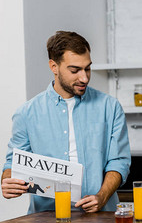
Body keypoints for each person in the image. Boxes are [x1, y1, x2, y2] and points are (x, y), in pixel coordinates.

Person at [1, 31, 131, 213]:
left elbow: (118, 162)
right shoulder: (26, 113)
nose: (84, 78)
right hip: (45, 220)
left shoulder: (110, 107)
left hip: (101, 218)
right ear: (54, 66)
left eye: (87, 68)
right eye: (75, 70)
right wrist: (8, 182)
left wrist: (101, 197)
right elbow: (12, 165)